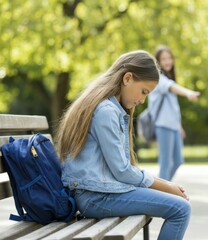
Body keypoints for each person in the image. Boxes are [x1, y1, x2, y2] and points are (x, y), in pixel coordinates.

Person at [55, 50, 191, 240]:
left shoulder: (105, 105)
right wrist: (166, 186)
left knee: (178, 206)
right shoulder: (106, 111)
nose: (142, 100)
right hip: (95, 197)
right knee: (181, 208)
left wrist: (164, 184)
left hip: (96, 193)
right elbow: (122, 170)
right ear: (127, 78)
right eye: (144, 92)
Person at [148, 45, 200, 181]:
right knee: (166, 163)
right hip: (163, 125)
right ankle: (161, 194)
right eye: (163, 59)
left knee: (178, 160)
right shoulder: (158, 78)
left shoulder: (168, 77)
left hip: (173, 126)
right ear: (157, 62)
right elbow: (172, 87)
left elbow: (173, 108)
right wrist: (188, 93)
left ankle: (162, 189)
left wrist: (179, 126)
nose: (167, 61)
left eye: (169, 58)